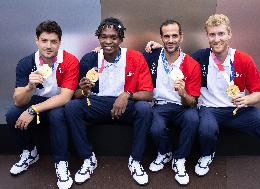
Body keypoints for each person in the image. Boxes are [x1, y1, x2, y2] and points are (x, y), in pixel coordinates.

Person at [191, 14, 260, 189]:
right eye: (212, 34)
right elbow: (177, 60)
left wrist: (247, 99)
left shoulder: (243, 59)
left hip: (237, 110)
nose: (216, 39)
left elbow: (258, 95)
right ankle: (207, 154)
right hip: (210, 109)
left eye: (221, 34)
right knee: (206, 129)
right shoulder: (201, 57)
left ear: (229, 34)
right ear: (207, 36)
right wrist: (159, 48)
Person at [64, 17, 153, 186]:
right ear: (99, 37)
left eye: (113, 37)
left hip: (125, 105)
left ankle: (135, 160)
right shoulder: (89, 59)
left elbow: (148, 94)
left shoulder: (135, 57)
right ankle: (88, 159)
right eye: (104, 36)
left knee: (145, 109)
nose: (108, 41)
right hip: (97, 104)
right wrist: (83, 90)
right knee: (72, 107)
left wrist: (126, 94)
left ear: (120, 39)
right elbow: (76, 94)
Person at [5, 20, 79, 189]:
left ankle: (61, 162)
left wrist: (32, 110)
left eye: (53, 41)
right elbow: (18, 100)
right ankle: (30, 152)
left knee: (57, 115)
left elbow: (66, 97)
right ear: (36, 41)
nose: (48, 46)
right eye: (44, 40)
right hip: (36, 99)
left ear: (60, 42)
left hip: (58, 102)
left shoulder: (70, 61)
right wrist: (29, 87)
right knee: (11, 114)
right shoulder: (26, 63)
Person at [143, 19, 201, 185]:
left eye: (174, 36)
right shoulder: (152, 57)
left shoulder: (192, 64)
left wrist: (183, 93)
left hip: (183, 107)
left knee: (193, 119)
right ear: (161, 37)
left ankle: (180, 158)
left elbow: (192, 102)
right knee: (155, 128)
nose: (170, 40)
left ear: (181, 37)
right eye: (166, 36)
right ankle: (165, 153)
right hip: (159, 106)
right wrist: (100, 51)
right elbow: (127, 58)